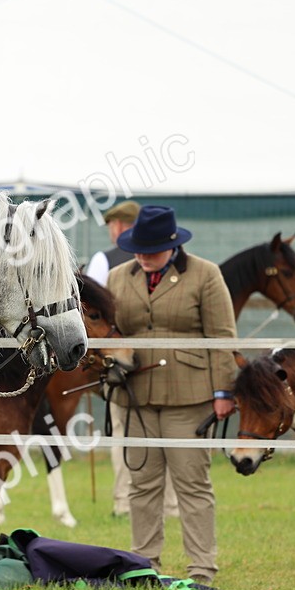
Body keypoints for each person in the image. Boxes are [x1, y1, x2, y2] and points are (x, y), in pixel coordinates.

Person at [106, 205, 237, 585]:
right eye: (138, 249)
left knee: (192, 485)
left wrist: (224, 391)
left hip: (190, 398)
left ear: (173, 245)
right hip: (136, 399)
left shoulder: (206, 275)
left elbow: (222, 337)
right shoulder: (117, 277)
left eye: (152, 250)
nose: (144, 257)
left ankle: (201, 570)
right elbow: (109, 333)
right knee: (142, 484)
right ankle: (144, 565)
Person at [85, 201, 179, 519]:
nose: (113, 231)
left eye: (114, 225)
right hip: (155, 360)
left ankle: (124, 500)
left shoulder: (104, 260)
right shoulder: (171, 261)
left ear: (121, 227)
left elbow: (91, 310)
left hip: (118, 358)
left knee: (123, 430)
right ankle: (170, 505)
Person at [84, 200, 139, 287]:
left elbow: (92, 297)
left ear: (118, 225)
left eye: (110, 226)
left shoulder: (103, 259)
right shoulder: (157, 255)